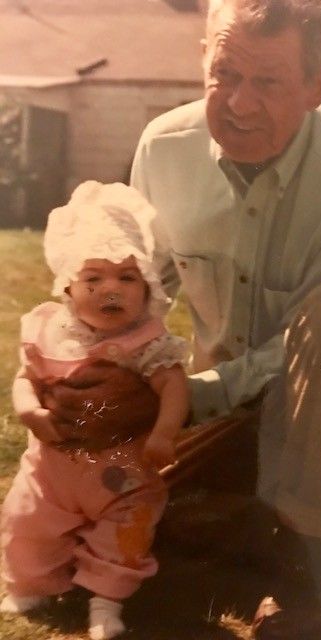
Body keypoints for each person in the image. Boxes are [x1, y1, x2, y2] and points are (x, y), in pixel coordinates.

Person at [42, 0, 321, 635]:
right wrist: (99, 379)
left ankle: (305, 561)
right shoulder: (163, 148)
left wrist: (188, 397)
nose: (239, 103)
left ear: (318, 86)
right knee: (87, 548)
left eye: (268, 82)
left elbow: (318, 347)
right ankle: (240, 523)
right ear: (203, 58)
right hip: (221, 409)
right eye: (225, 73)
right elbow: (144, 296)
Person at [0, 181, 189, 640]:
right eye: (94, 278)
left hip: (123, 471)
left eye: (127, 278)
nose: (111, 290)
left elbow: (173, 386)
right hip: (52, 471)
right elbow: (27, 378)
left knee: (125, 533)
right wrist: (30, 413)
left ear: (147, 289)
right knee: (27, 522)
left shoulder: (146, 343)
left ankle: (106, 600)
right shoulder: (49, 331)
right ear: (68, 285)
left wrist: (164, 432)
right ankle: (34, 581)